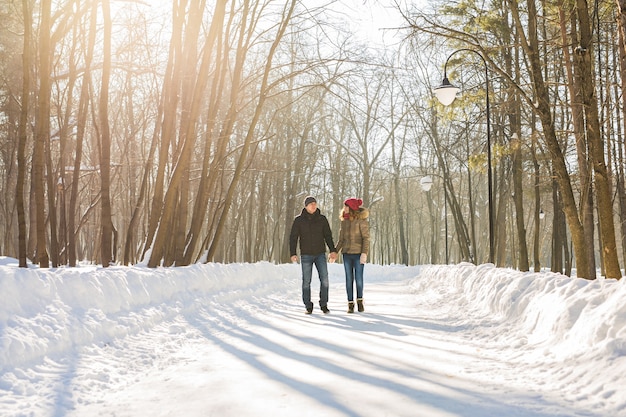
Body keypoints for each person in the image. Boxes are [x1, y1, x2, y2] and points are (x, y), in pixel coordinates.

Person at [290, 196, 337, 314]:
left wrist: (332, 250)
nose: (314, 206)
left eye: (315, 204)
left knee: (325, 279)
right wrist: (293, 253)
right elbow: (293, 238)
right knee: (306, 281)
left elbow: (328, 236)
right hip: (306, 255)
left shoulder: (322, 219)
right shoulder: (299, 220)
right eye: (311, 204)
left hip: (320, 253)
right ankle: (308, 306)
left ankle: (324, 304)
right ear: (306, 206)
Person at [335, 198, 370, 313]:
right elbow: (341, 240)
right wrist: (335, 252)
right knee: (349, 279)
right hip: (346, 254)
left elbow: (366, 238)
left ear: (352, 208)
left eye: (346, 206)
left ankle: (360, 301)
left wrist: (364, 253)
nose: (344, 208)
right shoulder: (344, 222)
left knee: (359, 279)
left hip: (358, 254)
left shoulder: (361, 221)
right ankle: (350, 303)